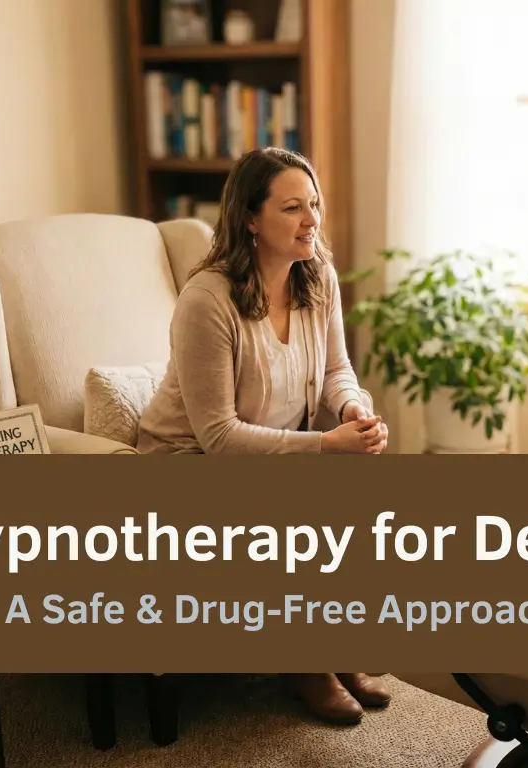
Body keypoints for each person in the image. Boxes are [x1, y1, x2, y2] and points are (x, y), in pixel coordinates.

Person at [136, 147, 391, 724]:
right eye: (293, 207)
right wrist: (325, 446)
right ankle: (305, 664)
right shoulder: (207, 300)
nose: (312, 220)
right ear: (250, 218)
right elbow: (220, 437)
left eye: (315, 205)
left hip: (266, 447)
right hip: (187, 457)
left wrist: (352, 409)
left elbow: (335, 370)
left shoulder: (318, 275)